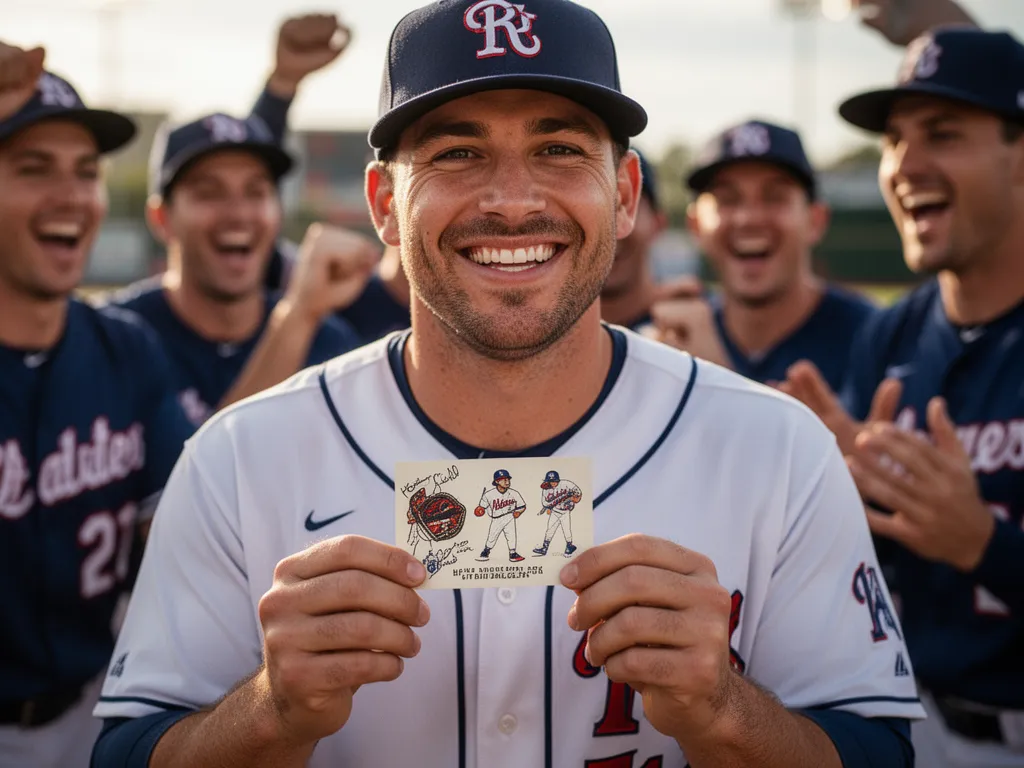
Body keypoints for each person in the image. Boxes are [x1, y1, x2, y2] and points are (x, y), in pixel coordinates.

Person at [92, 2, 923, 766]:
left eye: (559, 149)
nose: (513, 200)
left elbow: (882, 752)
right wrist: (268, 711)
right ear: (384, 203)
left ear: (625, 192)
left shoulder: (778, 448)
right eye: (458, 153)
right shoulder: (238, 456)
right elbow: (123, 751)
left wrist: (725, 711)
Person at [783, 26, 1024, 768]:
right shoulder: (892, 334)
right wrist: (844, 495)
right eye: (893, 140)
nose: (904, 166)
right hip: (907, 718)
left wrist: (986, 546)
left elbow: (972, 547)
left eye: (944, 134)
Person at [0, 46, 194, 768]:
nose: (71, 196)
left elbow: (191, 525)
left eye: (85, 172)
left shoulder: (125, 346)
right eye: (32, 168)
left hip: (94, 708)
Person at [106, 112, 368, 426]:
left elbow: (402, 470)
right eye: (209, 193)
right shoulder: (115, 339)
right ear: (162, 219)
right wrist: (297, 316)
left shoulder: (329, 343)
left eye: (256, 192)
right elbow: (196, 472)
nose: (238, 213)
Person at [650, 119, 877, 389]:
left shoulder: (876, 339)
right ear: (696, 225)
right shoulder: (676, 341)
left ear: (815, 220)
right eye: (728, 200)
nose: (749, 218)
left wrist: (711, 380)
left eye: (774, 197)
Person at [598, 147, 669, 332]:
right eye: (595, 207)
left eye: (623, 205)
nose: (610, 231)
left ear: (658, 224)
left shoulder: (704, 326)